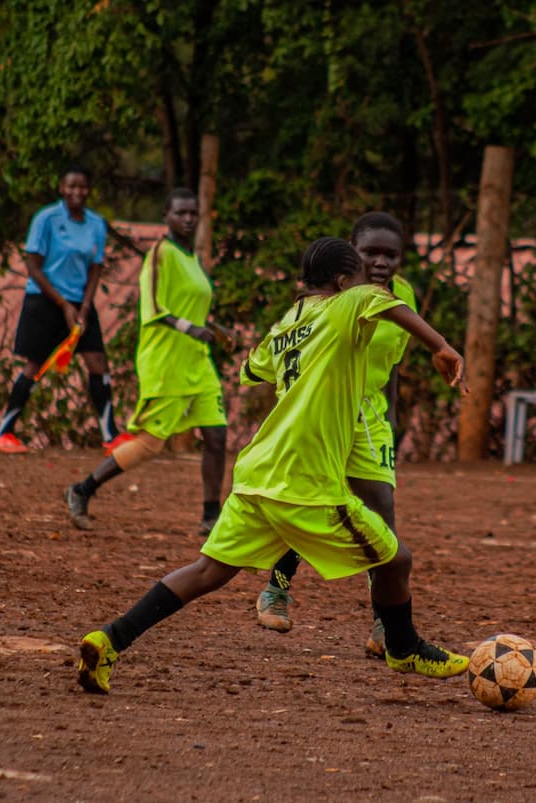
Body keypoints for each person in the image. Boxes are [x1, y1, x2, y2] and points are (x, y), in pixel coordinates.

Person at [75, 236, 471, 694]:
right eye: (360, 275)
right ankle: (403, 648)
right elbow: (383, 300)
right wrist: (441, 346)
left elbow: (254, 367)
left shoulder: (284, 325)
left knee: (207, 572)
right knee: (396, 560)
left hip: (258, 475)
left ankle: (108, 639)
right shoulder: (347, 305)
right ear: (344, 281)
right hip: (307, 481)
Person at [253, 212, 414, 658]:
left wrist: (393, 416)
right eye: (370, 253)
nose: (381, 262)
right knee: (310, 499)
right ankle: (277, 589)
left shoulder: (405, 298)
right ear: (351, 254)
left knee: (382, 512)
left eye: (391, 254)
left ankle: (384, 625)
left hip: (369, 418)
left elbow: (393, 364)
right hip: (324, 413)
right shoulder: (332, 299)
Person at [64, 188, 229, 534]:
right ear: (166, 216)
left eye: (192, 213)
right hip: (166, 362)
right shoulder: (159, 254)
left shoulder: (191, 259)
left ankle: (210, 515)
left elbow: (190, 307)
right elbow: (154, 308)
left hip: (197, 362)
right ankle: (82, 490)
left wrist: (212, 327)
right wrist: (190, 328)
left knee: (217, 436)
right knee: (150, 443)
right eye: (180, 212)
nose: (187, 218)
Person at [0, 164, 130, 455]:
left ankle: (110, 435)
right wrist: (63, 304)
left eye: (82, 187)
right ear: (61, 189)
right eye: (71, 186)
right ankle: (4, 433)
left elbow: (95, 267)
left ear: (89, 190)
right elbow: (33, 266)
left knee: (97, 362)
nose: (77, 192)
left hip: (81, 302)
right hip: (45, 300)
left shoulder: (95, 224)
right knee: (35, 365)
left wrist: (85, 304)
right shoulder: (47, 219)